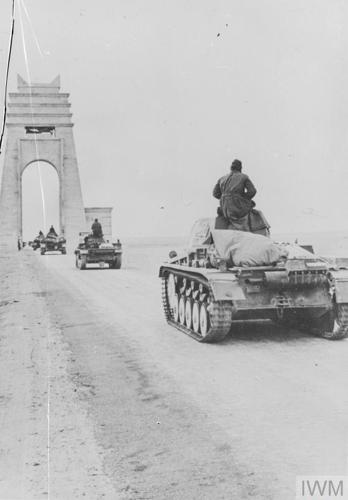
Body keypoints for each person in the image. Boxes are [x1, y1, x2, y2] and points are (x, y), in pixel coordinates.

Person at [213, 159, 257, 231]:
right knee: (252, 204)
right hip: (237, 206)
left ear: (231, 168)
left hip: (224, 208)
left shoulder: (222, 178)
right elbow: (252, 191)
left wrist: (225, 197)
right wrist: (243, 198)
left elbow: (215, 193)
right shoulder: (244, 177)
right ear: (240, 168)